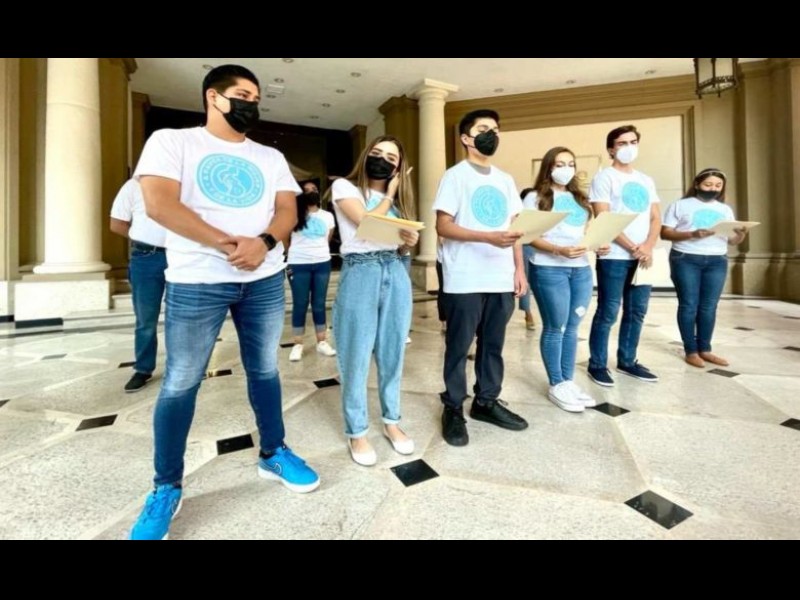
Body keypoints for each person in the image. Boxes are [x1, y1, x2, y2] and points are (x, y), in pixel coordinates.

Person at [130, 64, 320, 541]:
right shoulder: (173, 142)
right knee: (181, 381)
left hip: (265, 279)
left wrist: (265, 243)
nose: (251, 103)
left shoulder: (270, 156)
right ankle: (166, 487)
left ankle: (273, 452)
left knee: (265, 370)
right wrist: (229, 244)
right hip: (197, 279)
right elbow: (159, 204)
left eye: (255, 97)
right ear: (213, 97)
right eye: (242, 94)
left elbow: (287, 209)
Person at [434, 109, 529, 448]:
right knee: (459, 346)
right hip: (465, 277)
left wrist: (519, 269)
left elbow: (515, 229)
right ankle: (453, 407)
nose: (492, 134)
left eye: (496, 129)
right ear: (466, 138)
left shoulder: (505, 179)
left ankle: (486, 402)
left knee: (493, 345)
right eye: (484, 128)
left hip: (500, 276)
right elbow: (443, 226)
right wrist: (487, 237)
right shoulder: (455, 176)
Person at [331, 136, 419, 467]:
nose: (382, 160)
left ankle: (391, 421)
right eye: (377, 153)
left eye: (391, 157)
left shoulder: (397, 203)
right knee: (355, 355)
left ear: (398, 167)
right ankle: (357, 431)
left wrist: (408, 241)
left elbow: (396, 243)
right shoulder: (345, 187)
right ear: (366, 155)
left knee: (392, 352)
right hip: (361, 272)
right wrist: (391, 194)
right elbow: (366, 224)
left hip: (394, 270)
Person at [526, 148, 611, 413]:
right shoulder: (534, 197)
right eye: (559, 164)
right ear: (548, 167)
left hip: (581, 269)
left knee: (573, 327)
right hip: (549, 269)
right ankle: (556, 383)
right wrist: (557, 250)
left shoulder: (581, 199)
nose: (566, 169)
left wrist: (597, 243)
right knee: (556, 326)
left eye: (571, 164)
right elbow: (528, 236)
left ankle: (568, 381)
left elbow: (584, 233)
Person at [588, 125, 662, 388]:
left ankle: (628, 361)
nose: (629, 147)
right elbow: (604, 217)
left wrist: (648, 246)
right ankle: (597, 364)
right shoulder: (604, 177)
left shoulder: (646, 180)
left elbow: (655, 217)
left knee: (637, 311)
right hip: (615, 256)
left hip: (643, 256)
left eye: (633, 142)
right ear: (611, 149)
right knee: (608, 311)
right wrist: (633, 247)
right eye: (622, 143)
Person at [662, 168, 749, 369]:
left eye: (718, 186)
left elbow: (731, 240)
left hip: (717, 261)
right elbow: (665, 233)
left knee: (709, 306)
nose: (713, 189)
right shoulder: (680, 205)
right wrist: (692, 234)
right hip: (686, 258)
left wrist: (741, 234)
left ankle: (705, 349)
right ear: (697, 184)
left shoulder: (725, 209)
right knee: (689, 305)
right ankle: (691, 351)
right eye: (708, 185)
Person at [110, 179, 168, 394]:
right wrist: (142, 236)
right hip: (145, 257)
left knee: (182, 316)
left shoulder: (181, 182)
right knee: (146, 319)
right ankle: (143, 369)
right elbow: (117, 223)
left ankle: (181, 367)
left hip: (181, 256)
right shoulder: (132, 187)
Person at [287, 183, 337, 362]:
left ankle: (322, 342)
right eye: (306, 191)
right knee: (300, 303)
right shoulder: (293, 215)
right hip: (298, 263)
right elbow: (285, 238)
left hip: (322, 263)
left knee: (319, 303)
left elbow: (327, 238)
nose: (311, 193)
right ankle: (297, 344)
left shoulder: (328, 216)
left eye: (314, 190)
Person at [518, 188, 538, 332]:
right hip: (525, 247)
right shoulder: (519, 215)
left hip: (540, 248)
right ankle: (528, 313)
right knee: (525, 282)